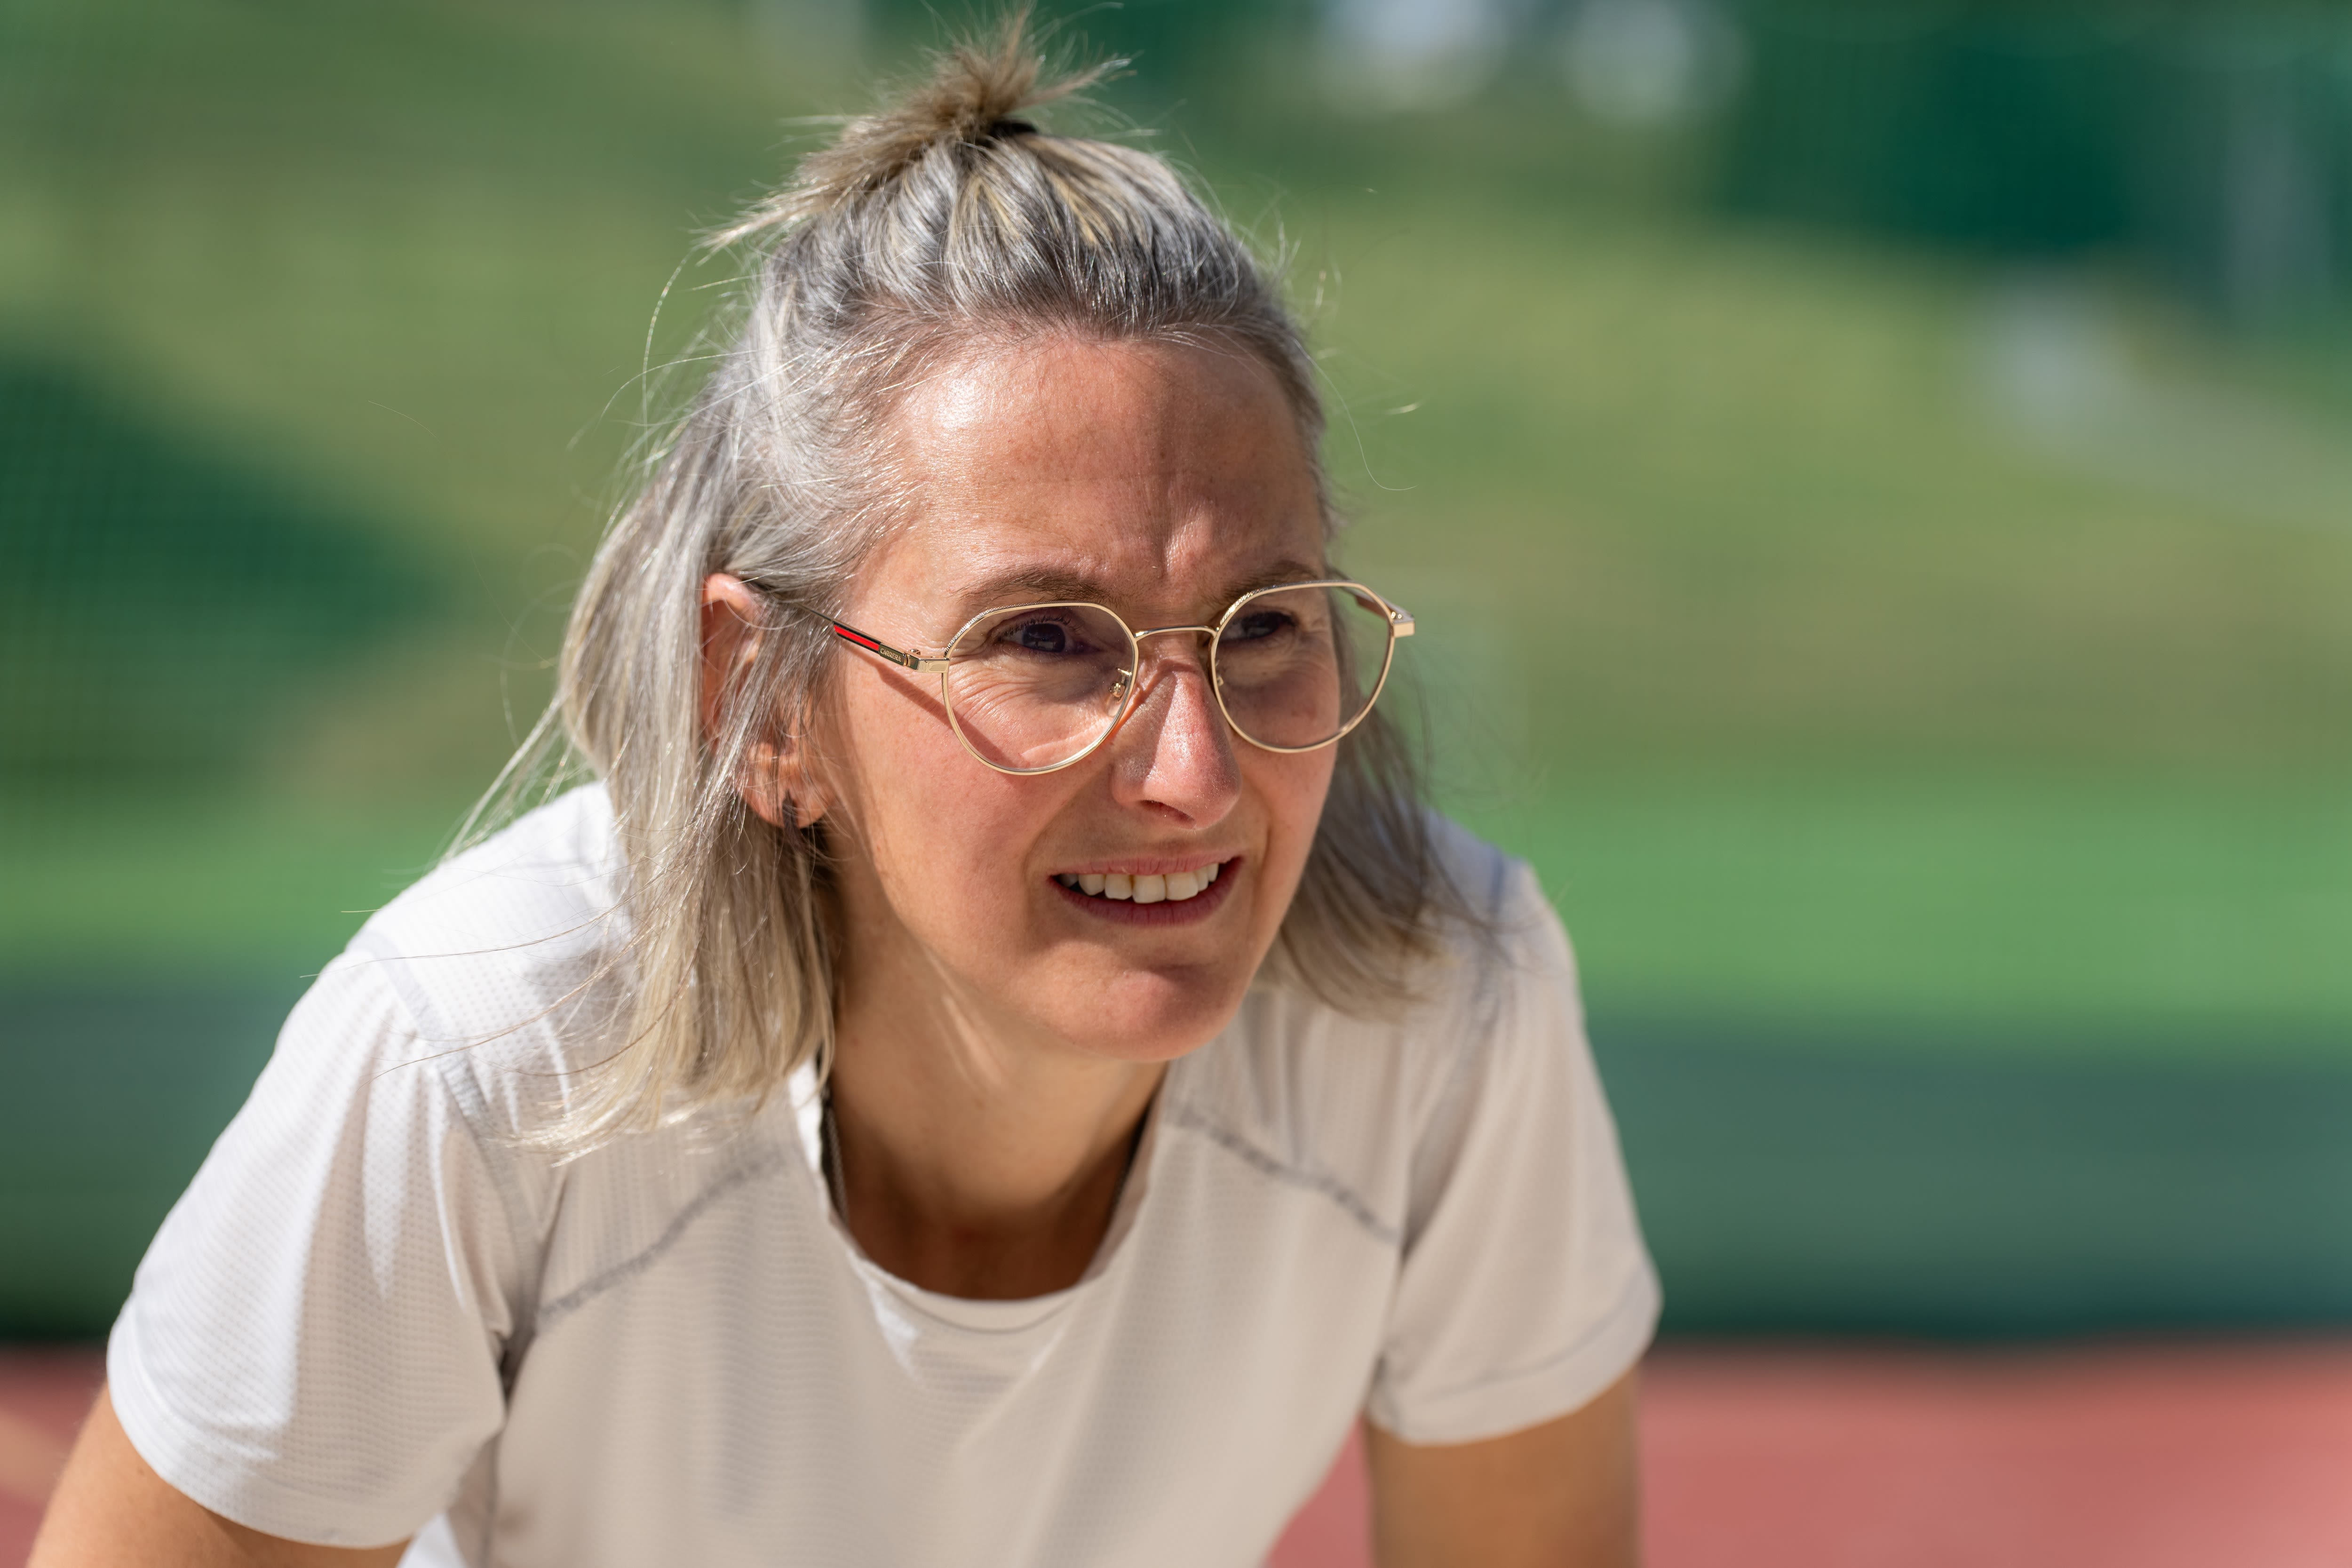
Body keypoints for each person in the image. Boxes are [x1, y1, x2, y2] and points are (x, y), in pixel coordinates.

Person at [34, 18, 1657, 1567]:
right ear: (759, 703)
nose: (1196, 773)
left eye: (1267, 627)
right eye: (1045, 639)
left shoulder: (1448, 1006)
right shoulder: (480, 1062)